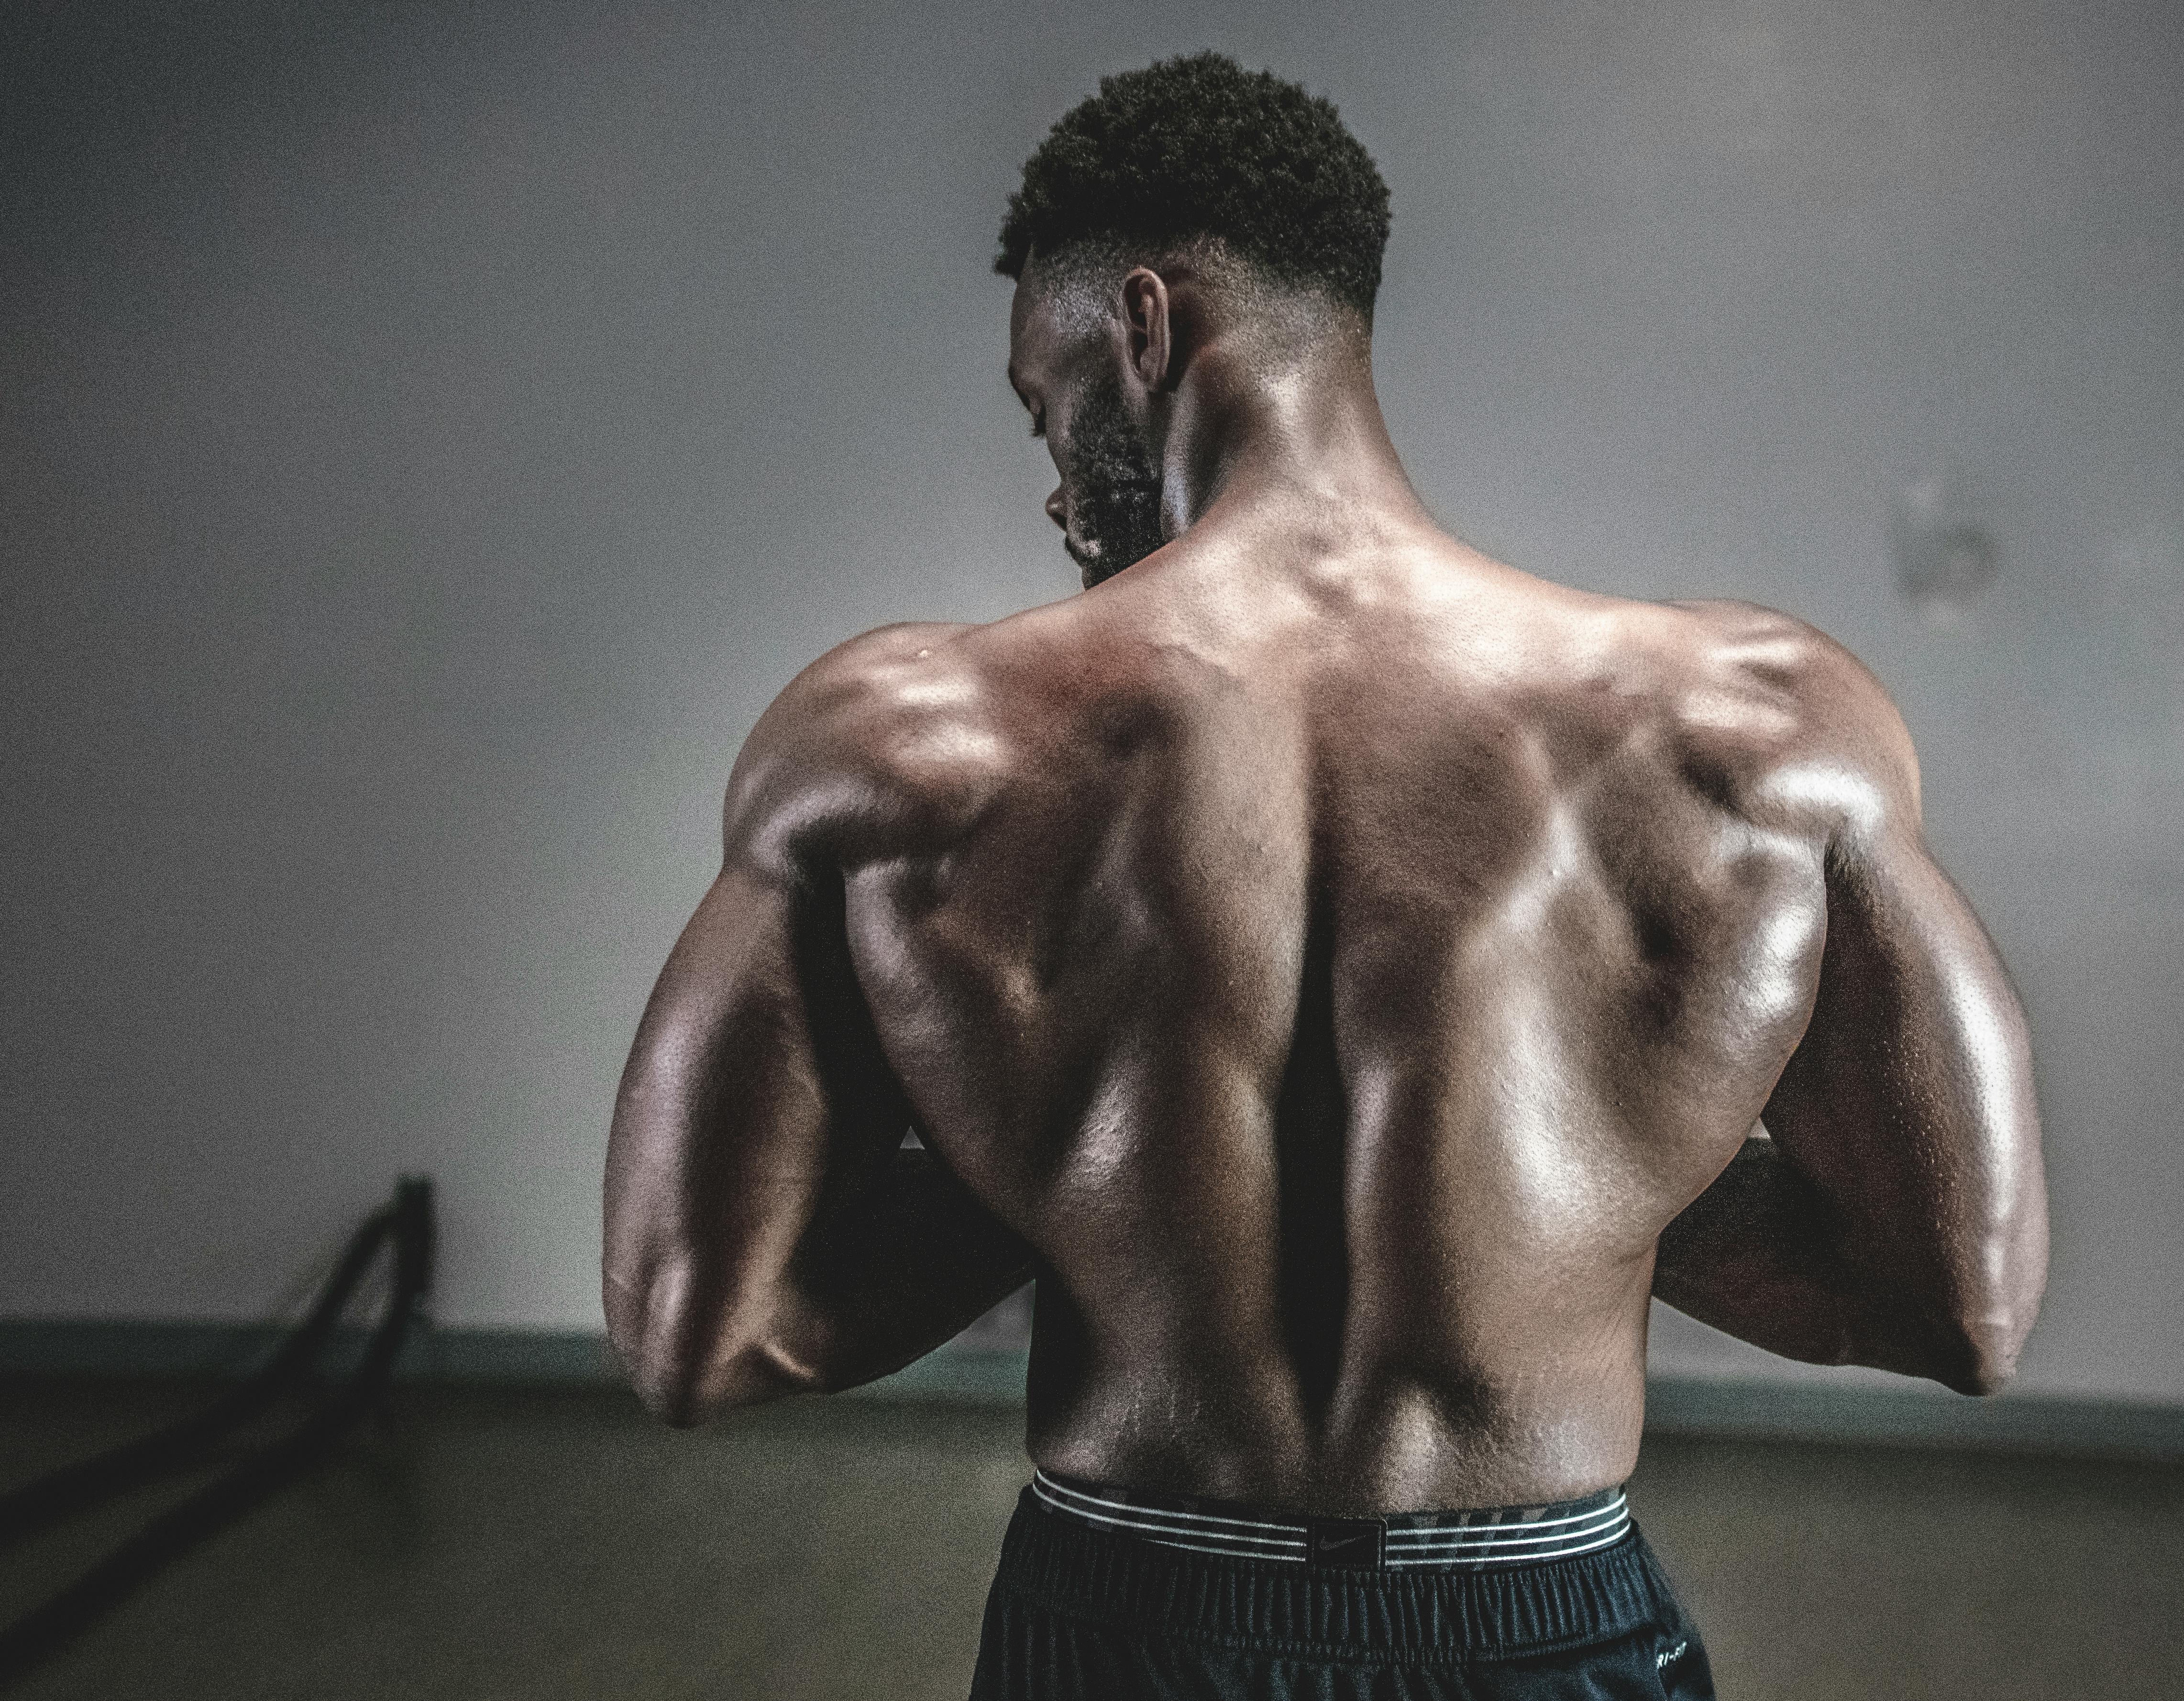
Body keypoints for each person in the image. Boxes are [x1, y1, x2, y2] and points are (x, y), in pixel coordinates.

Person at [602, 52, 2046, 1700]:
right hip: (1537, 1616)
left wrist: (1069, 1145)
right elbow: (1968, 1306)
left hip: (1125, 1616)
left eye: (1045, 400)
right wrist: (1615, 1157)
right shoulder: (1760, 726)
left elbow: (695, 1330)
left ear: (1144, 327)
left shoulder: (898, 738)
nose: (1056, 485)